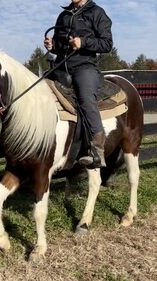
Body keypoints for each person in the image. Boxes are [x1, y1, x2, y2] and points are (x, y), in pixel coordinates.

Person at [44, 0, 113, 167]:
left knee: (86, 97)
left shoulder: (97, 12)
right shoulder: (63, 15)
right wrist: (52, 46)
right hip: (61, 67)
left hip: (84, 67)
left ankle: (97, 152)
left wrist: (83, 42)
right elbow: (59, 46)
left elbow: (107, 44)